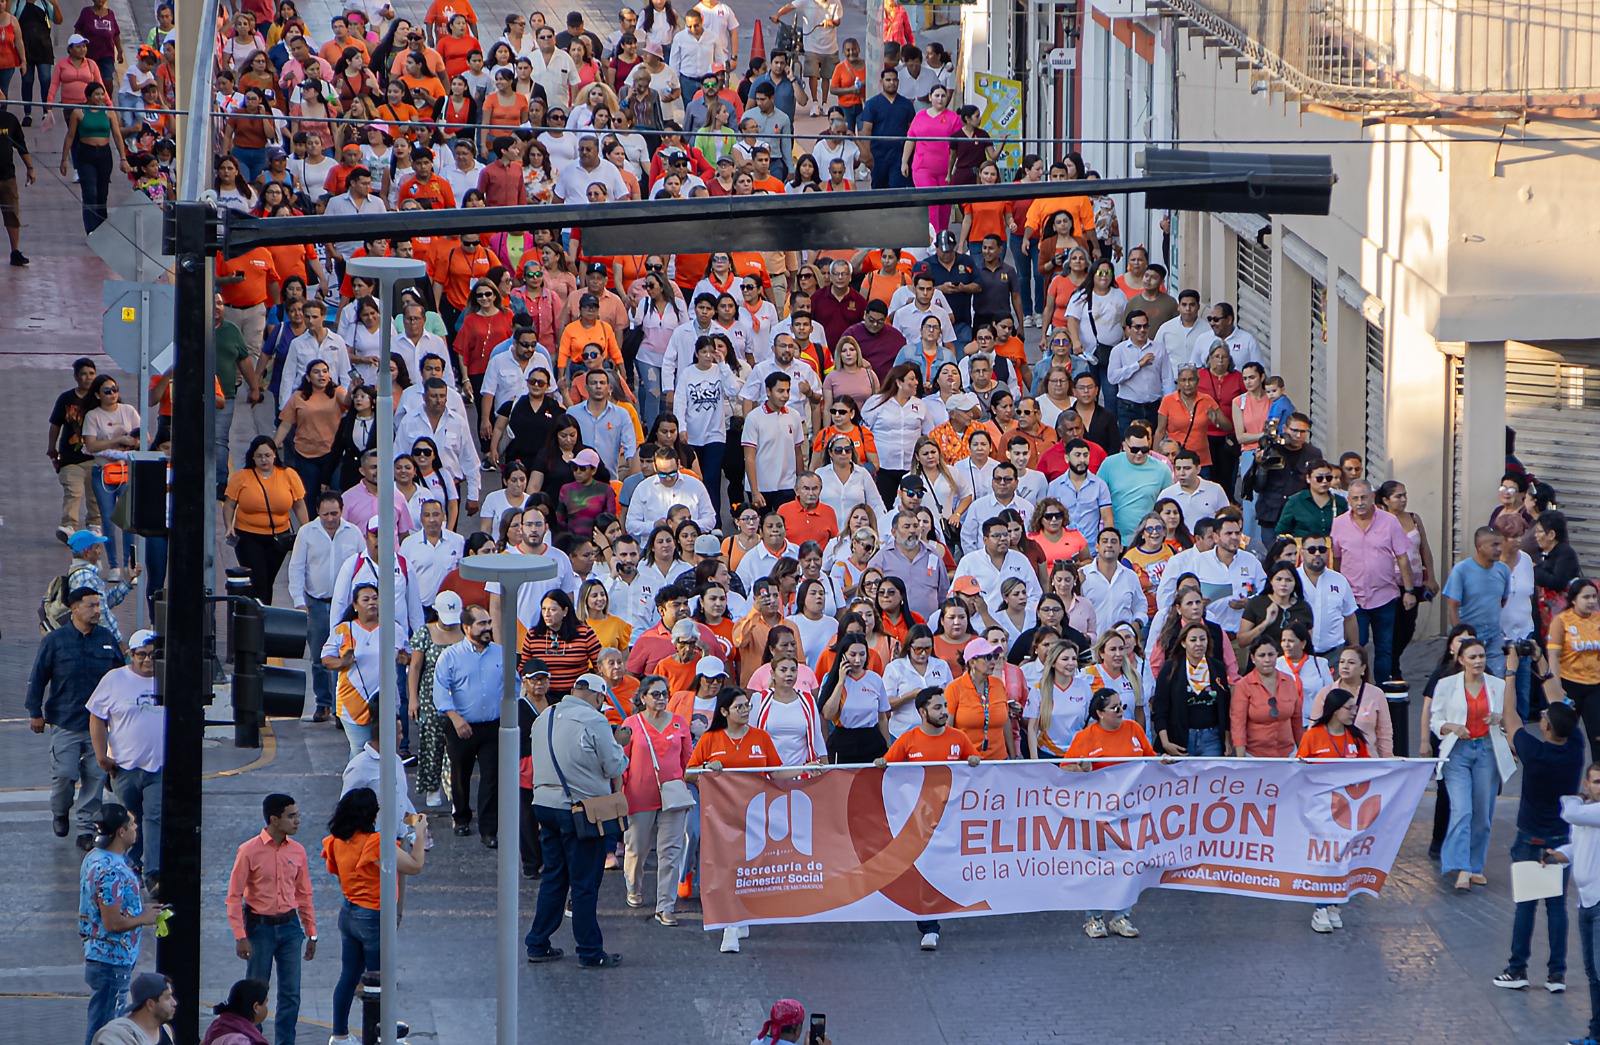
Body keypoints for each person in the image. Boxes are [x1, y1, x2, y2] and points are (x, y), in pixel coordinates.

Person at [526, 671, 630, 968]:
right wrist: (619, 744)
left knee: (554, 877)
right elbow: (613, 765)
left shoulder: (544, 716)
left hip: (545, 805)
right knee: (584, 883)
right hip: (581, 810)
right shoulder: (594, 720)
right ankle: (590, 951)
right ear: (599, 696)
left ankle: (538, 941)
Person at [1487, 701, 1584, 991]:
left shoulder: (1534, 752)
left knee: (1526, 906)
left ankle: (1517, 969)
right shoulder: (1575, 747)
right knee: (1557, 907)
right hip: (1560, 837)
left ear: (1546, 727)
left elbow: (1510, 715)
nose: (1540, 717)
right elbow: (1557, 698)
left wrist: (1512, 671)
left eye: (1543, 716)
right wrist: (1544, 666)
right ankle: (1557, 975)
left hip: (1530, 837)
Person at [875, 686, 980, 949]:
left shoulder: (958, 738)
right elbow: (887, 768)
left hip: (952, 817)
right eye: (937, 707)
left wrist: (976, 762)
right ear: (922, 712)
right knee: (926, 871)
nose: (944, 712)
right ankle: (929, 927)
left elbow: (975, 765)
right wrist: (880, 764)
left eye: (945, 706)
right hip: (919, 820)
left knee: (945, 869)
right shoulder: (908, 740)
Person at [321, 788, 426, 1045]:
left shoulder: (336, 841)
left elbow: (337, 872)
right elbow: (414, 866)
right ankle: (383, 1035)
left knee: (349, 975)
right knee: (379, 979)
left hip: (348, 912)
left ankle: (340, 1035)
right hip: (373, 916)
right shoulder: (376, 844)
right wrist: (420, 833)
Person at [27, 585, 121, 851]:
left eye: (98, 605)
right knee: (64, 774)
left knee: (95, 777)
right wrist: (35, 712)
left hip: (99, 725)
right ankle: (60, 810)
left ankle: (86, 828)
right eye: (91, 605)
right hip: (66, 721)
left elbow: (120, 676)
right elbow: (38, 677)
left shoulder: (106, 638)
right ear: (74, 608)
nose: (97, 611)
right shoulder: (55, 641)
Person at [225, 793, 316, 1045]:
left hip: (289, 927)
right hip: (260, 929)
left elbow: (304, 893)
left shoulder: (298, 851)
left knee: (291, 994)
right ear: (274, 820)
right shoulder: (249, 851)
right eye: (291, 815)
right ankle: (255, 1040)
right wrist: (240, 936)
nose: (297, 820)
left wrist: (311, 932)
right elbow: (233, 896)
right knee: (256, 994)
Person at [80, 804, 165, 1045]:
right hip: (111, 960)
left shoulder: (94, 857)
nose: (136, 827)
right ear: (120, 832)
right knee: (106, 1029)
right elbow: (112, 922)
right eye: (131, 824)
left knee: (103, 1023)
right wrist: (144, 918)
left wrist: (140, 911)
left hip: (103, 956)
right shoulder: (112, 870)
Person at [86, 630, 161, 892]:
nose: (147, 660)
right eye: (141, 655)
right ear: (131, 654)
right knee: (131, 819)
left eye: (153, 655)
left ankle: (153, 872)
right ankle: (132, 863)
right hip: (124, 767)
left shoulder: (168, 677)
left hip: (158, 767)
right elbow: (97, 716)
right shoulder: (114, 679)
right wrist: (100, 754)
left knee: (155, 816)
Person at [1431, 636, 1508, 891]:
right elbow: (1436, 720)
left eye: (1482, 656)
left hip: (1487, 749)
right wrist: (1452, 726)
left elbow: (1510, 719)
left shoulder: (1497, 685)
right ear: (1461, 659)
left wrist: (1500, 717)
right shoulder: (1446, 684)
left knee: (1482, 813)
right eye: (1473, 657)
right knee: (1462, 810)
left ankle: (1475, 866)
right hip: (1458, 752)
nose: (1478, 661)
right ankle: (1460, 866)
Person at [1330, 479, 1417, 685]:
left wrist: (1410, 591)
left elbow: (1403, 557)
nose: (1360, 503)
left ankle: (1382, 692)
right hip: (1353, 598)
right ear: (1349, 500)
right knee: (1356, 647)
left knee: (1385, 647)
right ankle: (1357, 689)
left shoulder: (1389, 521)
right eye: (1355, 499)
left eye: (1364, 498)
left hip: (1384, 595)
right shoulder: (1339, 524)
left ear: (1372, 498)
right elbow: (1336, 559)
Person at [1296, 688, 1370, 931]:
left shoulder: (1356, 738)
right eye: (1349, 707)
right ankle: (1319, 908)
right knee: (1325, 858)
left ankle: (1334, 904)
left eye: (1355, 707)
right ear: (1335, 710)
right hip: (1320, 810)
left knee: (1345, 859)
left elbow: (1370, 768)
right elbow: (1298, 771)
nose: (1353, 712)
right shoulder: (1314, 736)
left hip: (1349, 810)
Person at [621, 677, 693, 923]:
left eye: (664, 694)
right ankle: (633, 886)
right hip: (639, 797)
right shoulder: (631, 724)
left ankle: (666, 905)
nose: (661, 698)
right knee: (637, 849)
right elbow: (622, 763)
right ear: (643, 698)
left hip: (672, 796)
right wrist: (619, 791)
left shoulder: (679, 723)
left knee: (670, 852)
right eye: (655, 694)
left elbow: (687, 761)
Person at [289, 492, 365, 723]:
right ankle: (323, 703)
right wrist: (299, 602)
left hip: (346, 606)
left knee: (347, 656)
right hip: (317, 604)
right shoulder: (306, 533)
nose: (330, 519)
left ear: (342, 511)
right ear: (317, 513)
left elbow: (363, 564)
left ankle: (341, 706)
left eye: (335, 513)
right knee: (319, 657)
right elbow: (296, 568)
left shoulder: (353, 533)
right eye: (325, 514)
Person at [432, 604, 504, 846]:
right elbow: (440, 691)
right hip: (460, 725)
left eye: (488, 623)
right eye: (481, 624)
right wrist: (455, 718)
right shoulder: (450, 656)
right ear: (466, 627)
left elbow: (513, 687)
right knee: (460, 774)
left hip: (492, 726)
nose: (488, 628)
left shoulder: (500, 653)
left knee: (491, 777)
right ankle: (461, 817)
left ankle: (488, 829)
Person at [224, 436, 310, 604]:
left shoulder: (288, 475)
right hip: (248, 536)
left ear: (274, 455)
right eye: (259, 456)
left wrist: (306, 529)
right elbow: (229, 504)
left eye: (267, 455)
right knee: (259, 579)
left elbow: (298, 504)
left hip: (278, 538)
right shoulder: (242, 476)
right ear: (253, 457)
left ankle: (262, 612)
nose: (264, 460)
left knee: (268, 580)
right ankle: (257, 616)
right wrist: (229, 526)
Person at [1150, 622, 1232, 756]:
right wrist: (1165, 743)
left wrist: (1227, 740)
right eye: (1193, 640)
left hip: (1211, 738)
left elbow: (1225, 707)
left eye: (1202, 639)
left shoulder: (1217, 668)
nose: (1198, 644)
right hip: (1181, 737)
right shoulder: (1170, 668)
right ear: (1183, 643)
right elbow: (1160, 708)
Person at [1443, 525, 1513, 676]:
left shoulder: (1504, 570)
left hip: (1494, 636)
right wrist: (1462, 637)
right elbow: (1453, 607)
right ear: (1479, 546)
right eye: (1494, 545)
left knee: (1496, 680)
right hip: (1469, 637)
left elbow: (1502, 600)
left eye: (1500, 544)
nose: (1499, 549)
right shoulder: (1461, 570)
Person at [1547, 579, 1600, 758]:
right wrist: (1556, 687)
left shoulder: (1598, 620)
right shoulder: (1561, 621)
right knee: (1564, 735)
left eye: (1594, 597)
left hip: (1595, 685)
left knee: (1598, 737)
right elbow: (1553, 656)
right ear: (1574, 599)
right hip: (1569, 685)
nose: (1591, 601)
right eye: (1586, 597)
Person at [1229, 635, 1303, 757]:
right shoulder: (1243, 685)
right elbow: (1238, 724)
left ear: (1277, 655)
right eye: (1262, 656)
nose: (1267, 660)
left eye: (1271, 654)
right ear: (1253, 658)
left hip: (1288, 753)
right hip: (1255, 755)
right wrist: (1241, 759)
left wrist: (1302, 751)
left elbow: (1297, 720)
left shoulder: (1289, 680)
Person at [92, 972, 177, 1045]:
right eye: (167, 998)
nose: (174, 1003)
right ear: (150, 1004)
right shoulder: (115, 1035)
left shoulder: (165, 1031)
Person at [198, 978, 269, 1045]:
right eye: (265, 1004)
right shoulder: (239, 1040)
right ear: (256, 1007)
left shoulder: (218, 1024)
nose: (266, 1008)